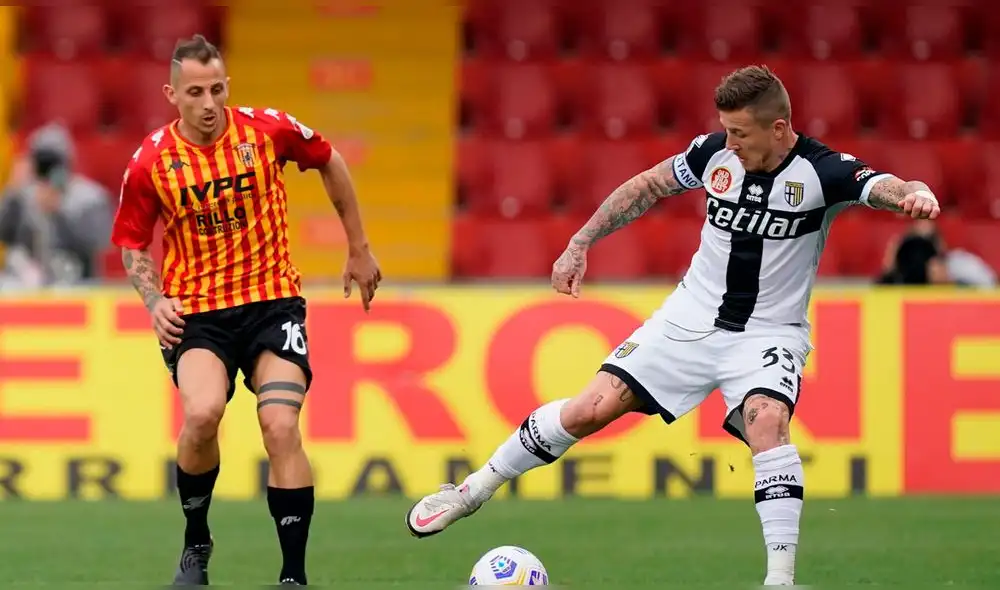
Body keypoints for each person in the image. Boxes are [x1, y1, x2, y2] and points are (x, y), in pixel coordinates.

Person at [405, 65, 940, 586]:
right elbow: (647, 186)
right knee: (588, 409)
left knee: (767, 422)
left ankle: (780, 581)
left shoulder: (821, 171)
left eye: (739, 132)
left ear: (778, 128)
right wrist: (581, 241)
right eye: (724, 130)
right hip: (688, 319)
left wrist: (913, 194)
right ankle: (470, 492)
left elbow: (886, 183)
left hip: (768, 333)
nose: (728, 144)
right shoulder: (713, 154)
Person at [111, 35, 381, 586]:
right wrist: (154, 299)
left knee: (280, 425)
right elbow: (133, 243)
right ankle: (196, 541)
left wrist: (357, 246)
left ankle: (293, 576)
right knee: (203, 414)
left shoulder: (266, 130)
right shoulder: (151, 164)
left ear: (226, 86)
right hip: (199, 315)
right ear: (172, 94)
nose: (208, 104)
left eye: (216, 89)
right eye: (195, 92)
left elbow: (329, 159)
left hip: (271, 304)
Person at [0, 122, 112, 288]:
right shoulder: (22, 196)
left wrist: (59, 210)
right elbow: (3, 234)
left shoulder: (89, 196)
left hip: (78, 282)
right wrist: (12, 191)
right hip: (27, 285)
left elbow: (101, 240)